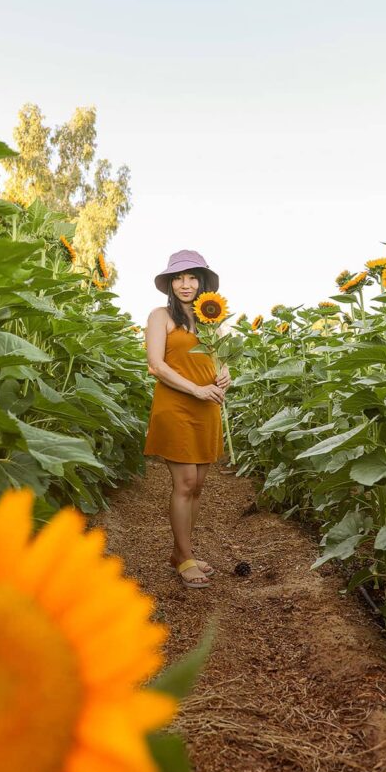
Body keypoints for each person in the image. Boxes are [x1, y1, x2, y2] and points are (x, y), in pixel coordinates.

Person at [144, 250, 231, 589]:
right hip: (177, 404)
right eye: (178, 278)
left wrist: (225, 376)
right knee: (183, 484)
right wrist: (195, 389)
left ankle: (181, 554)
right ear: (170, 283)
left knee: (197, 487)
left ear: (203, 282)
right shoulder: (160, 316)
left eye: (192, 277)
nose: (185, 284)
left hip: (207, 406)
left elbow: (222, 360)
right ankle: (186, 556)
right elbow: (157, 365)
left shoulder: (212, 321)